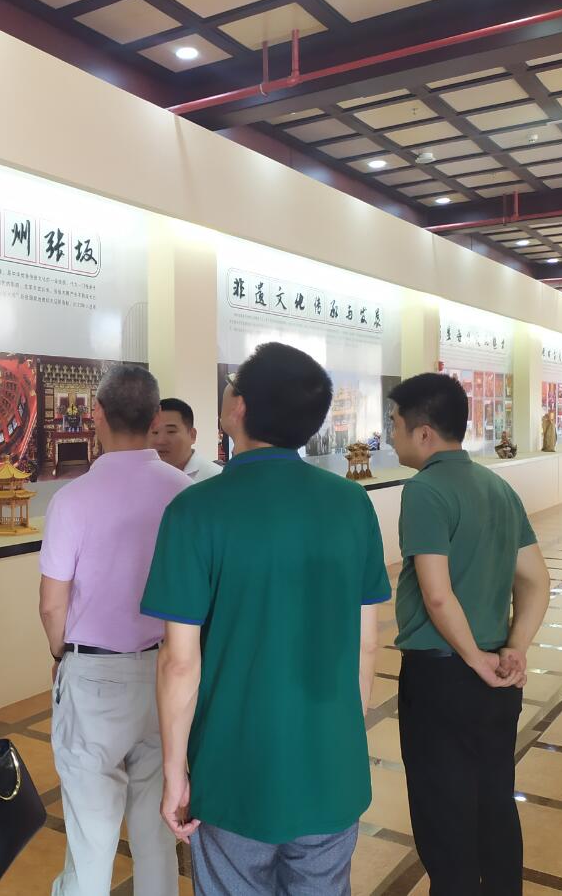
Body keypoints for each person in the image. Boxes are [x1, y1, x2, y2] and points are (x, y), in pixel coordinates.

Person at [143, 342, 389, 894]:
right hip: (330, 768)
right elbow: (366, 644)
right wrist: (338, 741)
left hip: (233, 770)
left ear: (239, 409)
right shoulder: (352, 504)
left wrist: (175, 772)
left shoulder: (195, 510)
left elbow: (179, 663)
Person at [388, 373, 550, 895]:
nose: (390, 435)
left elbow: (436, 595)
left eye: (394, 423)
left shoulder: (425, 490)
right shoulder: (498, 488)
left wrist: (473, 658)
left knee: (444, 815)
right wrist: (514, 649)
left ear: (424, 433)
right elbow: (536, 579)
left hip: (442, 677)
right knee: (494, 802)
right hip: (498, 677)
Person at [39, 364, 192, 896]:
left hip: (93, 674)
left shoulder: (72, 500)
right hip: (167, 673)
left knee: (92, 838)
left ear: (96, 414)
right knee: (156, 834)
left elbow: (52, 605)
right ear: (154, 419)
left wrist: (60, 654)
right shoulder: (185, 493)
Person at [150, 398, 222, 482]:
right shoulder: (143, 477)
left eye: (171, 431)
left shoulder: (215, 477)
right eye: (154, 432)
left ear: (192, 435)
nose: (160, 441)